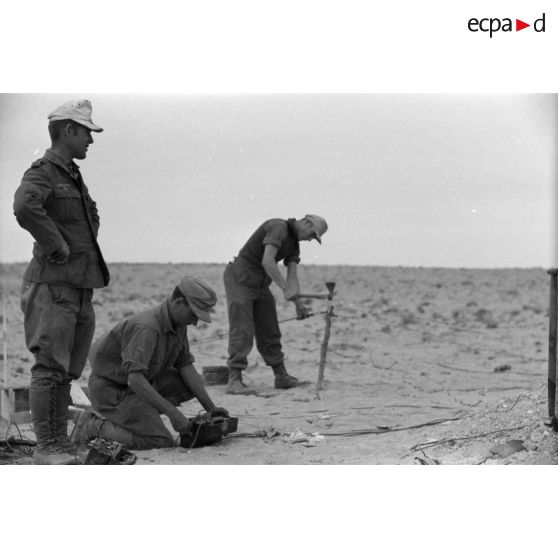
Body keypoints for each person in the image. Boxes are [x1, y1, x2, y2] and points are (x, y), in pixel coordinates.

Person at [13, 99, 109, 465]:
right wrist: (56, 245)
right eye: (87, 132)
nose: (91, 140)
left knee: (66, 371)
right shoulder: (45, 171)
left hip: (78, 286)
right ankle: (48, 447)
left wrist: (78, 248)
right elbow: (24, 205)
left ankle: (59, 444)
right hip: (53, 286)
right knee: (49, 368)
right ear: (68, 130)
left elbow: (90, 215)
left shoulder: (70, 173)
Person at [70, 276, 230, 451]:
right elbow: (135, 380)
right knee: (161, 442)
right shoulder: (147, 328)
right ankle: (93, 425)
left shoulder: (178, 324)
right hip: (114, 393)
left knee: (191, 382)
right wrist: (173, 413)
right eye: (193, 314)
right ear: (178, 302)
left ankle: (143, 417)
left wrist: (211, 409)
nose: (195, 322)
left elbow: (185, 365)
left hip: (140, 386)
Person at [224, 214, 328, 395]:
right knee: (242, 329)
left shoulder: (294, 245)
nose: (311, 239)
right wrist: (285, 288)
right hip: (240, 279)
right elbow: (267, 261)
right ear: (306, 222)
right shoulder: (278, 226)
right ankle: (234, 379)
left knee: (270, 328)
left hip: (260, 284)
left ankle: (281, 376)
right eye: (313, 234)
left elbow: (292, 277)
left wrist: (297, 303)